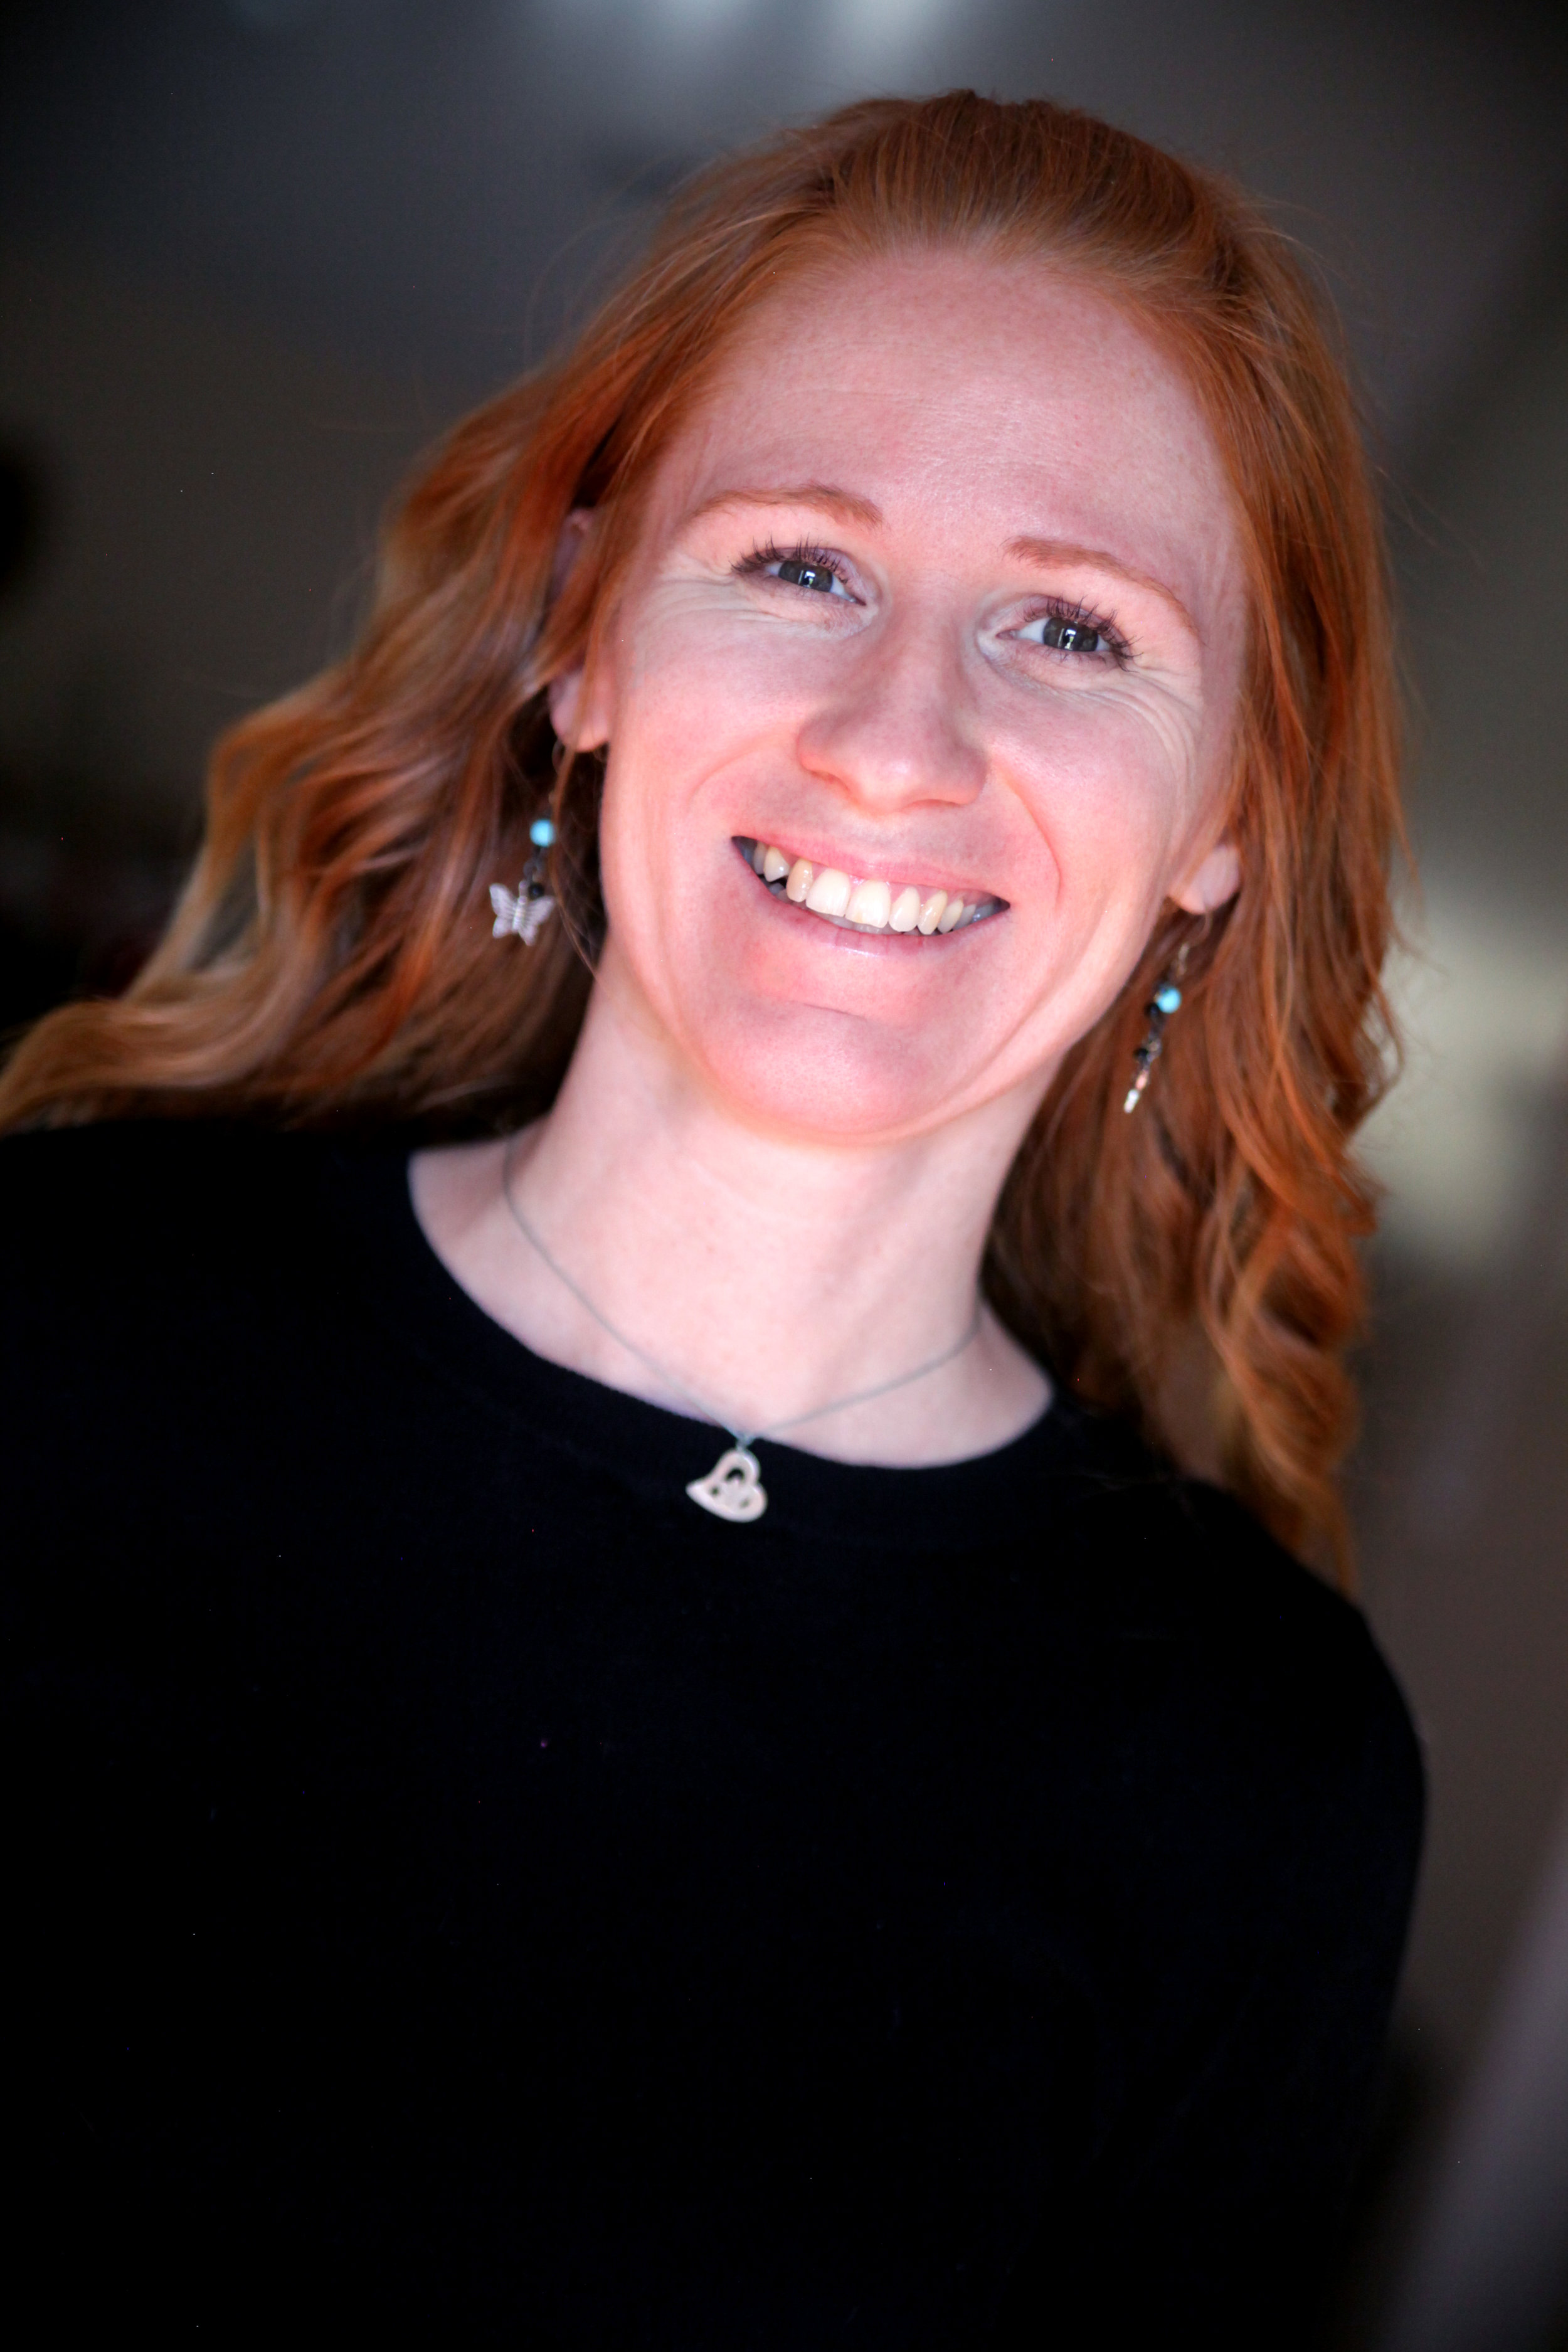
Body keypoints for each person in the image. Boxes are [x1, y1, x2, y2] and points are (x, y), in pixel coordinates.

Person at [0, 92, 1421, 2346]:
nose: (896, 740)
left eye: (1071, 627)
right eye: (798, 567)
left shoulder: (1258, 1775)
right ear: (583, 636)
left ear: (1225, 808)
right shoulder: (51, 1319)